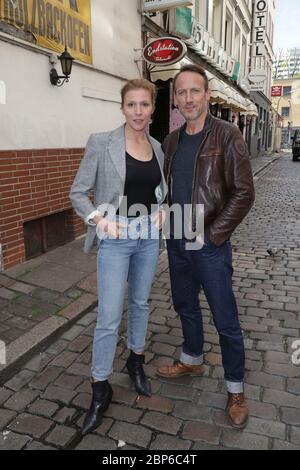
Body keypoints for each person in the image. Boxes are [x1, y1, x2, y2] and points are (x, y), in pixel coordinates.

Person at [156, 64, 255, 429]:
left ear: (207, 95)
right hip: (177, 240)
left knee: (225, 318)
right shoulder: (171, 141)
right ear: (176, 100)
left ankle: (236, 389)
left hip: (209, 244)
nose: (187, 98)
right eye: (181, 92)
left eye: (194, 91)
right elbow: (167, 189)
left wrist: (214, 235)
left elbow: (244, 192)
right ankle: (192, 357)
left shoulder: (227, 135)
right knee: (184, 304)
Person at [70, 79, 167, 436]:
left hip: (147, 237)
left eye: (144, 105)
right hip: (116, 236)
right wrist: (99, 220)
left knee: (141, 303)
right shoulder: (102, 142)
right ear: (122, 107)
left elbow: (160, 191)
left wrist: (163, 211)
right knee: (109, 316)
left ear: (153, 107)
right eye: (132, 105)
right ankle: (100, 387)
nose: (138, 112)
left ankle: (135, 361)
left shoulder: (157, 147)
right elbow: (78, 192)